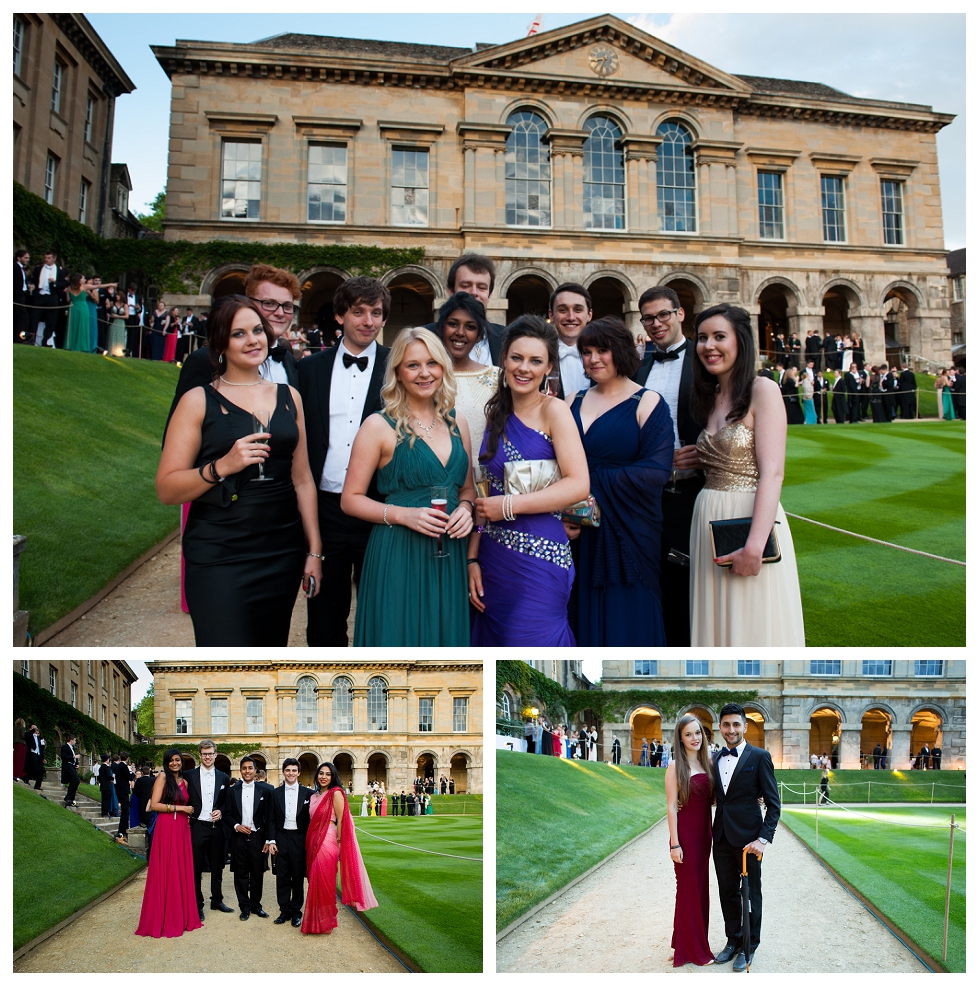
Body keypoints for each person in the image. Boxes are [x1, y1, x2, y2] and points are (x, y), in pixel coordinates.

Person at [156, 295, 322, 645]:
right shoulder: (198, 400)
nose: (253, 340)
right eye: (238, 334)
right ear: (220, 344)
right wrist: (221, 466)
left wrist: (314, 551)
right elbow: (167, 489)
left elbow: (303, 479)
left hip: (282, 550)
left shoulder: (290, 396)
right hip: (219, 551)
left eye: (258, 330)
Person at [342, 327, 475, 646]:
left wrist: (468, 510)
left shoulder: (458, 422)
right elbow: (350, 499)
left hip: (451, 554)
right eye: (413, 365)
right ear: (398, 373)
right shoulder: (378, 425)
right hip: (398, 552)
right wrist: (404, 515)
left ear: (443, 367)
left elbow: (468, 488)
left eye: (432, 363)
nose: (424, 372)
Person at [688, 304, 805, 646]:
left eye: (719, 336)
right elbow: (729, 452)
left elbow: (773, 472)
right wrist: (696, 457)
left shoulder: (762, 389)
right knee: (716, 623)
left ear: (741, 342)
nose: (709, 345)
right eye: (703, 338)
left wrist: (755, 545)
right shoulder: (709, 396)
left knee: (752, 622)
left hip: (748, 519)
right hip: (707, 517)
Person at [469, 316, 590, 645]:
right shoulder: (495, 415)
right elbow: (487, 492)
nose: (524, 368)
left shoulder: (555, 411)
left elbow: (579, 484)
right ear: (504, 359)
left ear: (549, 366)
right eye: (516, 358)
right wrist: (473, 558)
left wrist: (508, 506)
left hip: (541, 556)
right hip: (493, 556)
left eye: (536, 361)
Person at [568, 316, 674, 645]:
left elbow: (656, 471)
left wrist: (583, 487)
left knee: (629, 616)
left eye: (603, 350)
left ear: (622, 351)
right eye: (586, 352)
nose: (594, 358)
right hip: (575, 528)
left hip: (629, 530)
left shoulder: (647, 401)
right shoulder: (572, 400)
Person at [298, 276, 391, 646]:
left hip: (380, 507)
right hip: (325, 508)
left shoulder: (397, 368)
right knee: (323, 618)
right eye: (359, 312)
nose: (368, 320)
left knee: (380, 614)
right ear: (340, 316)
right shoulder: (308, 370)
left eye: (377, 313)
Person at [632, 286, 704, 647]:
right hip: (648, 494)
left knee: (691, 581)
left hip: (693, 490)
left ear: (680, 314)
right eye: (649, 318)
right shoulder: (639, 365)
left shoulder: (704, 358)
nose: (657, 323)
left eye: (663, 314)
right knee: (652, 578)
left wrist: (704, 450)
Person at [711, 704, 781, 972]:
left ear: (745, 727)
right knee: (727, 892)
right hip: (721, 838)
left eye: (736, 725)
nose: (731, 730)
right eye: (726, 725)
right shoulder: (715, 759)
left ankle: (749, 948)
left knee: (750, 894)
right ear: (721, 727)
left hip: (749, 842)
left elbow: (774, 804)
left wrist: (763, 839)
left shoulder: (760, 756)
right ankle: (733, 940)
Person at [302, 761, 378, 934]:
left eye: (328, 774)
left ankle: (325, 923)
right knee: (314, 880)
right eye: (321, 773)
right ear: (317, 775)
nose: (324, 777)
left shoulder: (336, 793)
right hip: (313, 840)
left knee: (325, 881)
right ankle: (314, 922)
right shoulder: (313, 797)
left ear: (333, 776)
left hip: (328, 840)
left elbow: (342, 819)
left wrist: (339, 841)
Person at [665, 713, 715, 967]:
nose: (695, 738)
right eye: (688, 734)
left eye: (698, 733)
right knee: (688, 891)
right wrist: (675, 843)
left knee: (699, 890)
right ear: (680, 738)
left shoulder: (709, 763)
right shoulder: (675, 766)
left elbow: (715, 799)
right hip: (685, 837)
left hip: (704, 836)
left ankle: (684, 942)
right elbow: (672, 806)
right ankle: (691, 950)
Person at [135, 749, 202, 938]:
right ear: (166, 762)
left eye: (177, 760)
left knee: (180, 870)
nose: (174, 763)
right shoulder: (163, 777)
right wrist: (181, 808)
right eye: (171, 760)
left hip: (182, 828)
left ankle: (180, 916)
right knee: (165, 869)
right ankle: (163, 919)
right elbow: (154, 805)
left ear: (182, 762)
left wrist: (185, 814)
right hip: (166, 827)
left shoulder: (186, 782)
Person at [435, 291, 500, 464]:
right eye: (453, 324)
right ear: (441, 328)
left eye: (470, 327)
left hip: (486, 479)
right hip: (437, 479)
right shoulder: (426, 378)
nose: (460, 332)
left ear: (479, 335)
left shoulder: (497, 378)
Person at [422, 253, 505, 365]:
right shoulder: (424, 337)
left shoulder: (507, 337)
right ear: (451, 291)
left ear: (489, 295)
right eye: (465, 286)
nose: (474, 292)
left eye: (481, 287)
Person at [184, 739, 232, 922]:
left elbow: (227, 802)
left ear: (215, 754)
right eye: (204, 754)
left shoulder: (224, 777)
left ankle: (217, 900)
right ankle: (198, 904)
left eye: (210, 753)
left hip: (217, 828)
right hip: (197, 826)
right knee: (196, 868)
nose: (208, 757)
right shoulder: (189, 776)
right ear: (200, 755)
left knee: (217, 865)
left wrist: (221, 810)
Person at [224, 756, 274, 921]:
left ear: (255, 771)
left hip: (258, 836)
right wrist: (236, 826)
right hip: (238, 837)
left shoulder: (266, 790)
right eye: (244, 768)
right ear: (241, 770)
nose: (247, 771)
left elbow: (269, 817)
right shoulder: (232, 791)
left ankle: (256, 906)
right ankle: (244, 907)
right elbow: (228, 814)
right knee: (241, 873)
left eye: (250, 768)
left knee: (257, 873)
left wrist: (268, 839)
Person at [267, 758, 313, 928]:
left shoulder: (308, 794)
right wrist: (271, 840)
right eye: (288, 770)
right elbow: (270, 819)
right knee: (282, 877)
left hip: (299, 839)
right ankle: (284, 911)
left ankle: (296, 912)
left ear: (298, 772)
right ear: (283, 771)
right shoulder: (275, 793)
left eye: (294, 770)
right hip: (281, 838)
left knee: (297, 877)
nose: (291, 773)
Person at [31, 251, 66, 347]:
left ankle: (46, 341)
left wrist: (55, 283)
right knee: (34, 317)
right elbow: (33, 281)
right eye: (45, 257)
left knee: (51, 319)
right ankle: (31, 339)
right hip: (40, 295)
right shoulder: (38, 269)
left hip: (52, 296)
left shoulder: (60, 271)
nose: (46, 259)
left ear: (54, 259)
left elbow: (63, 285)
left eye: (49, 258)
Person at [65, 274, 100, 352]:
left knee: (75, 326)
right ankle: (80, 346)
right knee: (81, 326)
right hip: (82, 307)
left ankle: (72, 345)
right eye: (84, 279)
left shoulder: (70, 288)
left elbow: (68, 299)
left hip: (75, 307)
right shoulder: (84, 287)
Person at [112, 752, 132, 843]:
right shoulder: (123, 766)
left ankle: (123, 829)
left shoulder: (118, 766)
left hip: (120, 790)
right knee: (125, 811)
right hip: (123, 790)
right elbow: (129, 777)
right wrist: (133, 772)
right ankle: (122, 830)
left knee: (125, 811)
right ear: (127, 758)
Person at [14, 249, 31, 343]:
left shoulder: (21, 268)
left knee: (19, 317)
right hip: (17, 295)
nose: (27, 259)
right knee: (23, 317)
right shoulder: (15, 267)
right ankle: (21, 338)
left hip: (22, 295)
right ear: (19, 258)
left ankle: (18, 337)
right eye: (25, 258)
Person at [60, 733, 80, 807]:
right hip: (68, 766)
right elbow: (64, 757)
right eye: (74, 740)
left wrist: (76, 764)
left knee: (74, 782)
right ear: (71, 740)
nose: (75, 742)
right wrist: (74, 757)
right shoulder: (65, 747)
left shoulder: (72, 748)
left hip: (72, 766)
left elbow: (74, 759)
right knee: (76, 780)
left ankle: (70, 799)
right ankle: (69, 798)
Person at [23, 725, 45, 789]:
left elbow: (40, 748)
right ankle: (25, 778)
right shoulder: (28, 735)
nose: (35, 729)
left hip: (38, 755)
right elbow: (27, 737)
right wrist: (32, 730)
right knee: (35, 769)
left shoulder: (38, 738)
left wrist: (43, 758)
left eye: (36, 728)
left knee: (41, 770)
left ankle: (37, 785)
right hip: (32, 754)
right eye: (34, 728)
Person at [13, 717, 27, 782]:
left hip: (15, 745)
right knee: (22, 761)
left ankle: (14, 774)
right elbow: (23, 736)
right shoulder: (22, 728)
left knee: (15, 760)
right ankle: (21, 775)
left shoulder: (14, 729)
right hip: (21, 745)